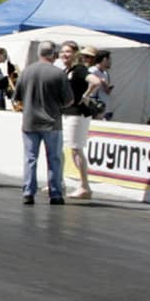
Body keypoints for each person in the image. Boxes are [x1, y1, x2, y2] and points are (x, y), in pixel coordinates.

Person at [17, 41, 72, 205]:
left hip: (29, 122)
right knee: (54, 158)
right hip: (52, 123)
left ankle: (28, 192)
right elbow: (68, 101)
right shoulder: (59, 74)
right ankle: (55, 193)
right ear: (54, 54)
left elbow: (18, 98)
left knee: (30, 158)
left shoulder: (26, 71)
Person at [57, 41, 95, 199]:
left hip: (77, 114)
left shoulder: (79, 69)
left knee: (75, 148)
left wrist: (86, 96)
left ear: (75, 54)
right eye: (62, 52)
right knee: (61, 148)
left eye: (68, 52)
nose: (64, 55)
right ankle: (59, 181)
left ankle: (85, 186)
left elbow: (95, 81)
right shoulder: (67, 70)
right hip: (66, 112)